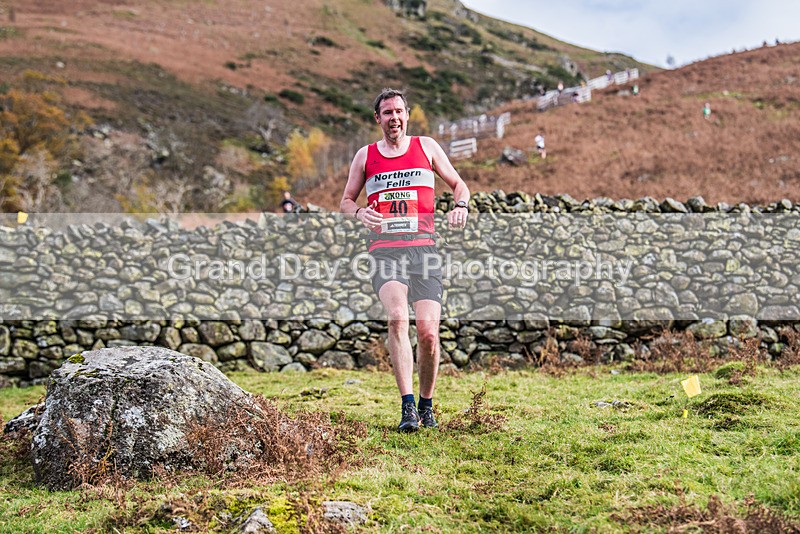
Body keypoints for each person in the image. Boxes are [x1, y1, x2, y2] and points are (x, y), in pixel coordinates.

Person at [340, 88, 470, 432]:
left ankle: (427, 406)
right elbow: (346, 201)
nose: (393, 118)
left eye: (399, 111)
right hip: (385, 250)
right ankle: (408, 408)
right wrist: (359, 215)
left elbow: (459, 185)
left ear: (407, 115)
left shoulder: (426, 147)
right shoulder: (365, 156)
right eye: (387, 113)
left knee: (428, 333)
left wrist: (461, 206)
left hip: (424, 249)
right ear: (378, 119)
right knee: (397, 318)